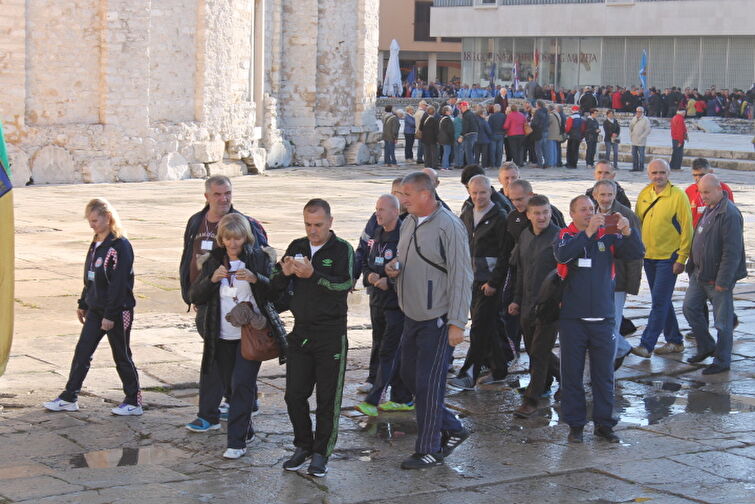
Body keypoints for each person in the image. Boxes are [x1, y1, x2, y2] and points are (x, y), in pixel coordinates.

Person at [385, 171, 472, 470]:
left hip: (438, 317)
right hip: (412, 315)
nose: (402, 199)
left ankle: (429, 449)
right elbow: (409, 259)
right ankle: (453, 426)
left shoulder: (450, 226)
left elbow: (462, 275)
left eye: (407, 194)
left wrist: (457, 322)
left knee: (429, 384)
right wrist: (395, 269)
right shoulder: (408, 222)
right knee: (409, 377)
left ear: (425, 194)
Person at [189, 213, 287, 459]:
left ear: (246, 237)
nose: (233, 244)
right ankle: (246, 429)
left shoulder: (258, 259)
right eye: (228, 239)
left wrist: (257, 279)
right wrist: (211, 280)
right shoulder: (212, 261)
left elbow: (277, 294)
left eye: (238, 238)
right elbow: (195, 296)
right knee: (231, 387)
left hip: (249, 336)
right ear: (221, 239)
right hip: (220, 336)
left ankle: (236, 441)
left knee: (243, 385)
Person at [272, 199, 355, 477]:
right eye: (308, 224)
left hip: (331, 335)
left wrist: (314, 275)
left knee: (327, 400)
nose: (312, 231)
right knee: (294, 395)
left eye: (318, 225)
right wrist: (283, 274)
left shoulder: (342, 249)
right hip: (301, 333)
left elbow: (345, 284)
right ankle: (303, 445)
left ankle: (321, 453)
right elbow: (277, 287)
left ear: (330, 222)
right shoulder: (297, 246)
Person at [180, 176, 268, 433]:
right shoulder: (196, 222)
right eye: (218, 194)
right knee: (215, 359)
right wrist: (189, 292)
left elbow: (262, 261)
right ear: (207, 196)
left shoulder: (245, 223)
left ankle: (240, 404)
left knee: (236, 359)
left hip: (239, 310)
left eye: (227, 193)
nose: (224, 199)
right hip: (207, 299)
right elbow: (188, 255)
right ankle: (214, 411)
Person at [554, 195, 644, 444]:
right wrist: (588, 233)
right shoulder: (565, 235)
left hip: (603, 318)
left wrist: (627, 232)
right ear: (572, 214)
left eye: (591, 209)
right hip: (573, 319)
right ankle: (576, 425)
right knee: (572, 375)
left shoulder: (608, 234)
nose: (589, 213)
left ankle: (605, 424)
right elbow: (563, 256)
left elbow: (636, 252)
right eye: (583, 210)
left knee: (604, 375)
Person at [44, 199, 141, 416]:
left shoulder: (120, 246)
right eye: (89, 221)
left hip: (117, 311)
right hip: (96, 309)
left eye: (95, 220)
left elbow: (119, 284)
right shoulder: (96, 242)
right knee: (82, 352)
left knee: (121, 354)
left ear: (108, 218)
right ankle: (70, 396)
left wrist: (110, 314)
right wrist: (83, 302)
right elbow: (90, 276)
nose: (92, 225)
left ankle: (134, 400)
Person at [452, 175, 512, 390]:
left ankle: (469, 372)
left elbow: (505, 254)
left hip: (489, 282)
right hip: (471, 279)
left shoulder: (500, 216)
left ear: (490, 191)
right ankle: (499, 369)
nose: (478, 196)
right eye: (474, 192)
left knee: (478, 326)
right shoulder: (467, 212)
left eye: (483, 192)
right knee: (490, 325)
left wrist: (495, 282)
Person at [356, 195, 413, 416]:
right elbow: (369, 261)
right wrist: (369, 276)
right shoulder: (378, 232)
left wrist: (388, 282)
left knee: (389, 352)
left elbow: (408, 268)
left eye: (382, 209)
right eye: (376, 209)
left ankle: (374, 399)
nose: (377, 213)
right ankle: (403, 397)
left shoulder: (403, 235)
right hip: (377, 301)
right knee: (383, 348)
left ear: (395, 212)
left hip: (396, 304)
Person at [683, 175, 747, 375]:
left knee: (723, 322)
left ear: (719, 189)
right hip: (699, 273)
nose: (703, 197)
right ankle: (706, 345)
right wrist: (691, 265)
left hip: (717, 278)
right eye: (701, 192)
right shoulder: (709, 209)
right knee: (689, 308)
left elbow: (732, 251)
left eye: (707, 192)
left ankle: (722, 360)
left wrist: (723, 281)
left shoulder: (729, 214)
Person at [631, 159, 693, 358]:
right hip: (648, 256)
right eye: (654, 173)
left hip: (669, 256)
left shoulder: (678, 196)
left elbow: (687, 229)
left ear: (668, 174)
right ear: (649, 174)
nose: (658, 176)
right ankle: (674, 340)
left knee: (658, 301)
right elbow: (637, 223)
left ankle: (646, 344)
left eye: (662, 172)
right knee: (663, 300)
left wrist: (682, 257)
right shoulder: (644, 194)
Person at [509, 194, 561, 418]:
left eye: (545, 212)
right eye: (537, 213)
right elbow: (520, 271)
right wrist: (515, 300)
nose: (542, 217)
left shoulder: (559, 238)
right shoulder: (524, 236)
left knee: (539, 352)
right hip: (527, 303)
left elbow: (565, 274)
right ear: (528, 215)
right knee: (533, 349)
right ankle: (564, 377)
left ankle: (532, 399)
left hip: (550, 305)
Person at [590, 180, 643, 370]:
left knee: (612, 323)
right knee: (597, 322)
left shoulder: (626, 215)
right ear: (595, 195)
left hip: (617, 280)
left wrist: (632, 283)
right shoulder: (589, 213)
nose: (606, 199)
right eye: (602, 195)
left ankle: (607, 367)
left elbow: (637, 251)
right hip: (593, 279)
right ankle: (621, 348)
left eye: (609, 195)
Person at [685, 158, 735, 227]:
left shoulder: (723, 189)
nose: (698, 178)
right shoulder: (689, 191)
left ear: (711, 172)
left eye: (701, 175)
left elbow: (730, 215)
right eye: (695, 175)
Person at [629, 107, 651, 172]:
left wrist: (642, 137)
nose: (638, 113)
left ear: (642, 112)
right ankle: (635, 167)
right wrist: (631, 135)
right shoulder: (634, 119)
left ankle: (641, 167)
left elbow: (648, 130)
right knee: (634, 154)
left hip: (641, 141)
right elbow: (630, 127)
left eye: (640, 112)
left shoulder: (646, 120)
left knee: (641, 155)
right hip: (634, 140)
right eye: (637, 111)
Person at [459, 101, 478, 166]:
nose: (461, 109)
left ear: (465, 107)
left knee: (468, 152)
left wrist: (461, 136)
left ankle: (471, 166)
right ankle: (472, 165)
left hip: (469, 134)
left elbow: (465, 126)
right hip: (474, 134)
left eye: (461, 108)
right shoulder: (472, 114)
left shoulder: (466, 115)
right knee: (471, 152)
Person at [488, 104, 506, 170]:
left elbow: (489, 126)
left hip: (493, 134)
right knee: (500, 150)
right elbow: (505, 125)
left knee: (493, 150)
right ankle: (498, 164)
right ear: (500, 109)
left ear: (494, 109)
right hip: (501, 134)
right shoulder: (503, 116)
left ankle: (493, 164)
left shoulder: (491, 116)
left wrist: (490, 134)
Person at [438, 106, 456, 170]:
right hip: (446, 138)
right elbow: (450, 130)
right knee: (447, 152)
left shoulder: (442, 118)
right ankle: (445, 167)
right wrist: (452, 138)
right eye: (449, 110)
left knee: (446, 152)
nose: (451, 111)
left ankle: (446, 165)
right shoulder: (447, 119)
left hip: (442, 138)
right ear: (446, 111)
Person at [545, 104, 561, 169]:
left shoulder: (551, 115)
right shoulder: (557, 114)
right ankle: (554, 162)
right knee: (554, 149)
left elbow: (547, 123)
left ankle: (550, 163)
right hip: (556, 133)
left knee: (550, 150)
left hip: (551, 134)